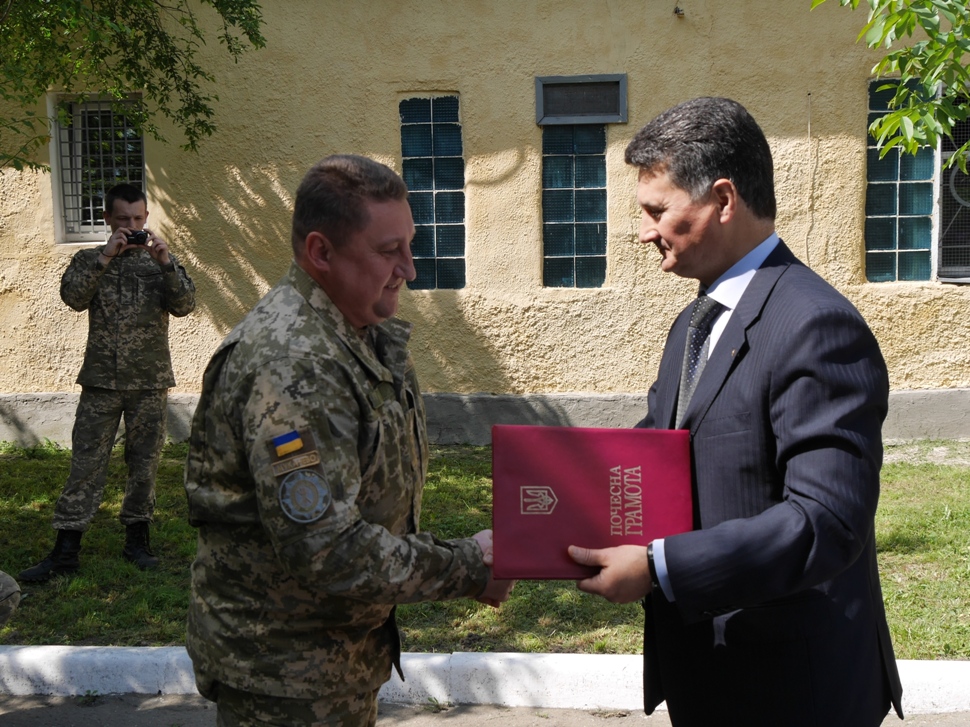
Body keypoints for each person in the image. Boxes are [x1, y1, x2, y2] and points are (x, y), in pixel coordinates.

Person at [568, 97, 903, 727]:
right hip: (710, 668)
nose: (643, 233)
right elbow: (660, 451)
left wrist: (660, 567)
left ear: (723, 200)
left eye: (657, 211)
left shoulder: (815, 325)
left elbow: (827, 520)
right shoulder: (694, 321)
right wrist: (545, 511)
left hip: (792, 687)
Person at [183, 154, 513, 727]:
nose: (410, 269)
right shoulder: (294, 365)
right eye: (389, 251)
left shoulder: (353, 335)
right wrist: (467, 566)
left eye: (410, 245)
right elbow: (325, 548)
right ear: (321, 252)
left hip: (331, 663)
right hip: (285, 678)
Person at [19, 183, 196, 582]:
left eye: (138, 219)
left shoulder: (160, 262)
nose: (132, 226)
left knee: (144, 465)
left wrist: (166, 263)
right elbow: (73, 297)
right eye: (123, 219)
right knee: (86, 464)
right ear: (107, 220)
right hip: (101, 381)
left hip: (149, 382)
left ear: (146, 218)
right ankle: (65, 552)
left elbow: (185, 305)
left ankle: (137, 542)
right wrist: (104, 257)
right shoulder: (89, 259)